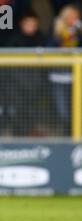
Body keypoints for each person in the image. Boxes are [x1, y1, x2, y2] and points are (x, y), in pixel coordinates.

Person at [48, 4, 82, 135]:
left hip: (76, 76)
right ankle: (67, 138)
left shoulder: (78, 31)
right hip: (59, 76)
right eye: (72, 17)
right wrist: (60, 41)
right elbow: (49, 47)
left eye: (77, 17)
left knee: (76, 110)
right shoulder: (57, 29)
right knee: (63, 112)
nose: (75, 20)